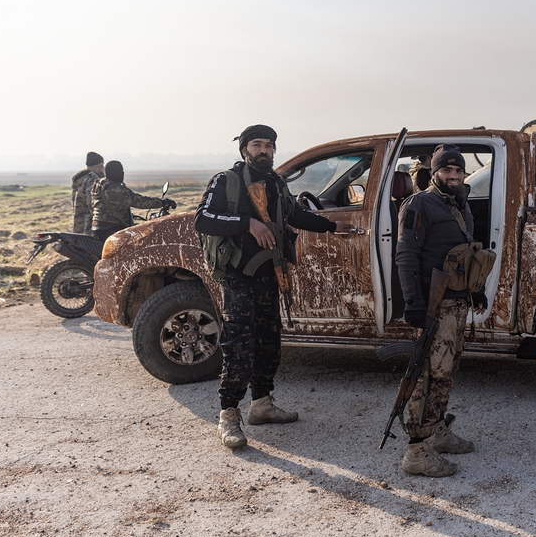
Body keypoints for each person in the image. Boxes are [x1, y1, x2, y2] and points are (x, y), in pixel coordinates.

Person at [194, 124, 353, 449]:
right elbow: (203, 218)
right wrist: (248, 223)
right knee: (239, 347)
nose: (263, 150)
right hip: (238, 278)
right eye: (257, 144)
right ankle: (228, 415)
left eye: (268, 145)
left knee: (269, 343)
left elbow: (295, 214)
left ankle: (262, 404)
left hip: (270, 275)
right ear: (244, 150)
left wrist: (332, 226)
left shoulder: (276, 183)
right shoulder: (227, 181)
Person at [395, 143, 487, 477]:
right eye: (446, 170)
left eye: (458, 170)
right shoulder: (420, 205)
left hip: (456, 303)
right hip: (434, 307)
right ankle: (417, 452)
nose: (453, 175)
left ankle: (436, 433)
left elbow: (466, 254)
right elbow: (406, 257)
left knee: (446, 373)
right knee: (428, 376)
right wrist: (415, 307)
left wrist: (475, 293)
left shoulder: (460, 204)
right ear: (434, 173)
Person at [90, 161, 176, 240]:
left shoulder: (99, 185)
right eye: (121, 171)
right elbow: (140, 201)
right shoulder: (119, 190)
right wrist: (163, 202)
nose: (122, 174)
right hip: (112, 228)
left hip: (96, 226)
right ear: (117, 172)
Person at [72, 152, 105, 234]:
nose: (104, 168)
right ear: (98, 166)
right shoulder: (93, 179)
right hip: (89, 225)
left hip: (79, 223)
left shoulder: (81, 178)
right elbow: (92, 202)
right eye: (102, 165)